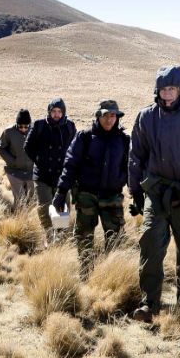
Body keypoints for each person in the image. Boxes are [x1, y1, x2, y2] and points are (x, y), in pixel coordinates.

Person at [128, 65, 180, 323]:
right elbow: (136, 156)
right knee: (151, 241)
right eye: (163, 89)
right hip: (156, 189)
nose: (167, 94)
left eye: (172, 88)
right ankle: (149, 303)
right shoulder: (146, 117)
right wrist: (135, 191)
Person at [52, 100, 130, 273]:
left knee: (115, 239)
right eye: (105, 115)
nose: (109, 120)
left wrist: (136, 195)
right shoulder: (85, 137)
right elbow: (70, 165)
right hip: (87, 195)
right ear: (98, 116)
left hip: (113, 197)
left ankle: (111, 276)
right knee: (83, 237)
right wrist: (61, 192)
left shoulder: (124, 141)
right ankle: (86, 273)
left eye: (113, 116)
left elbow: (131, 168)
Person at [24, 98, 76, 241]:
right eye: (54, 111)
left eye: (59, 111)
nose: (56, 114)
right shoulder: (39, 125)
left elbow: (75, 149)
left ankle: (61, 238)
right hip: (42, 176)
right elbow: (28, 147)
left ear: (63, 112)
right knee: (45, 208)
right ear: (49, 111)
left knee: (62, 210)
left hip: (62, 177)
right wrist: (40, 161)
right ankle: (48, 236)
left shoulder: (70, 126)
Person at [0, 109, 36, 211]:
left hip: (31, 171)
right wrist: (11, 161)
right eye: (20, 126)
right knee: (20, 200)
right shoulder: (8, 132)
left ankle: (30, 221)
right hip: (14, 171)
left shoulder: (35, 130)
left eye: (26, 126)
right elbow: (0, 147)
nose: (23, 129)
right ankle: (18, 221)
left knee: (32, 199)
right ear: (16, 123)